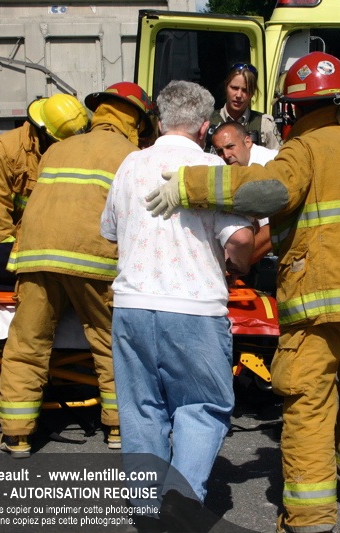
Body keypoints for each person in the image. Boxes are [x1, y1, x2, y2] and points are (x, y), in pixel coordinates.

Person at [146, 52, 340, 533]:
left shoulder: (305, 149)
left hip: (320, 299)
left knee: (308, 401)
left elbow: (269, 192)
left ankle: (309, 518)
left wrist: (190, 184)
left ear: (295, 107)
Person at [100, 79, 254, 531]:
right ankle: (180, 502)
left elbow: (110, 231)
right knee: (201, 407)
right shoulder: (210, 168)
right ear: (205, 127)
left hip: (131, 305)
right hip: (194, 307)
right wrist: (240, 263)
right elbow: (239, 240)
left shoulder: (130, 164)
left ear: (161, 120)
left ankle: (146, 508)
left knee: (140, 409)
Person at [0, 82, 155, 457]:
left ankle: (17, 434)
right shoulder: (132, 157)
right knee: (111, 343)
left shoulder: (57, 148)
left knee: (27, 344)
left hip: (37, 257)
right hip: (94, 259)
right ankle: (118, 428)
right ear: (136, 122)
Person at [0, 94, 89, 244]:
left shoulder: (67, 153)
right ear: (43, 133)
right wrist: (12, 253)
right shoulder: (3, 152)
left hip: (34, 238)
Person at [210, 121, 276, 264]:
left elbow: (271, 229)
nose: (226, 155)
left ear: (248, 142)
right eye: (220, 151)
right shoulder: (238, 167)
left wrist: (237, 265)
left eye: (230, 147)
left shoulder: (266, 165)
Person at [210, 62, 281, 150]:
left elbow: (278, 156)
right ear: (226, 87)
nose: (239, 95)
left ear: (252, 93)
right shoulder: (208, 122)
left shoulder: (265, 124)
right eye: (234, 88)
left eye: (245, 90)